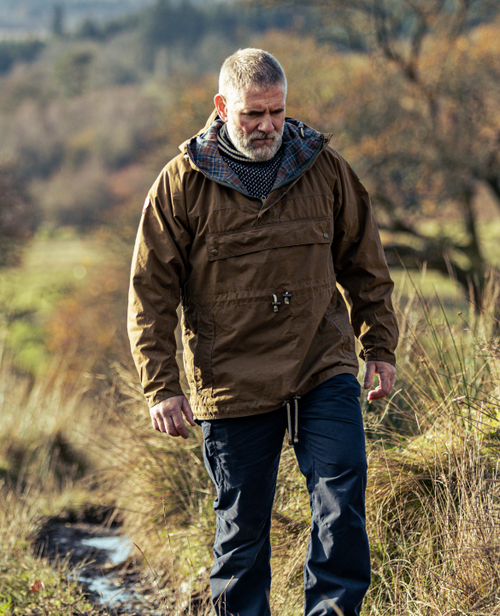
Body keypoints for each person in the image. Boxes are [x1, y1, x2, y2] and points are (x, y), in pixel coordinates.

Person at [128, 48, 398, 616]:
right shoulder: (181, 184)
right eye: (254, 114)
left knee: (341, 503)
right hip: (231, 382)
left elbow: (365, 265)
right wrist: (162, 387)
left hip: (322, 366)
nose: (268, 126)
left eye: (277, 112)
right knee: (243, 533)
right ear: (223, 106)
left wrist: (378, 346)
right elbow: (150, 293)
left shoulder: (324, 168)